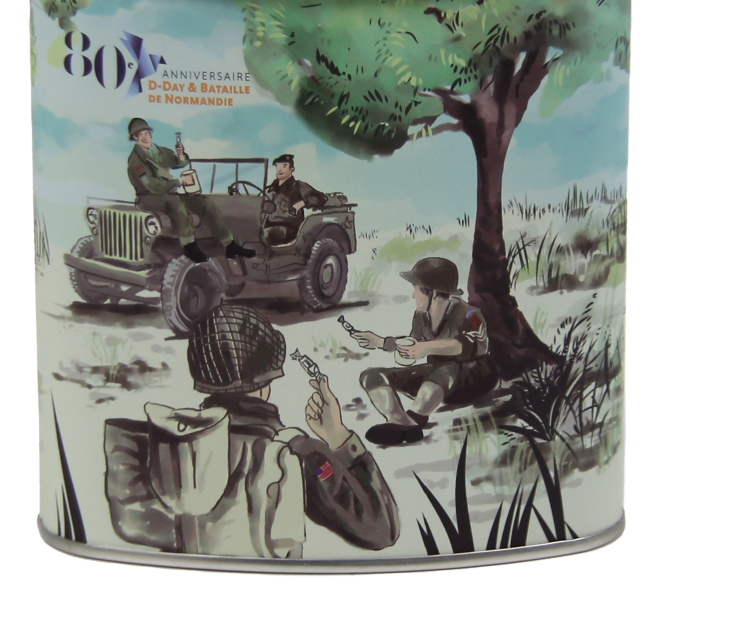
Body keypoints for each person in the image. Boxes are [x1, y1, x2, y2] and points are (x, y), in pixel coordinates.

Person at [104, 305, 400, 558]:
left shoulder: (163, 444)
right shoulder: (298, 452)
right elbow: (381, 529)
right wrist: (337, 435)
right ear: (266, 379)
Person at [351, 257, 500, 447]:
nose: (413, 295)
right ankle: (398, 420)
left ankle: (415, 417)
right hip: (437, 383)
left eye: (416, 288)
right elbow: (414, 344)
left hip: (473, 378)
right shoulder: (421, 317)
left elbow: (471, 346)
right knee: (371, 375)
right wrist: (380, 342)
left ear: (433, 292)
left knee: (444, 369)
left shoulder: (469, 314)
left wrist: (426, 348)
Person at [126, 118, 255, 263]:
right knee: (175, 202)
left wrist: (181, 155)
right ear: (135, 138)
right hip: (148, 197)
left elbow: (178, 162)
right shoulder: (136, 161)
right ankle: (189, 245)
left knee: (204, 203)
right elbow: (153, 186)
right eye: (140, 135)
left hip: (168, 193)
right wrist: (179, 182)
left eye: (146, 133)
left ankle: (229, 244)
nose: (145, 138)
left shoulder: (159, 152)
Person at [263, 154, 328, 245]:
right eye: (277, 166)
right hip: (268, 226)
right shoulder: (270, 189)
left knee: (263, 235)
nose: (279, 169)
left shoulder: (298, 186)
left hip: (289, 229)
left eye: (284, 166)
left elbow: (320, 198)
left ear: (292, 169)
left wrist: (301, 203)